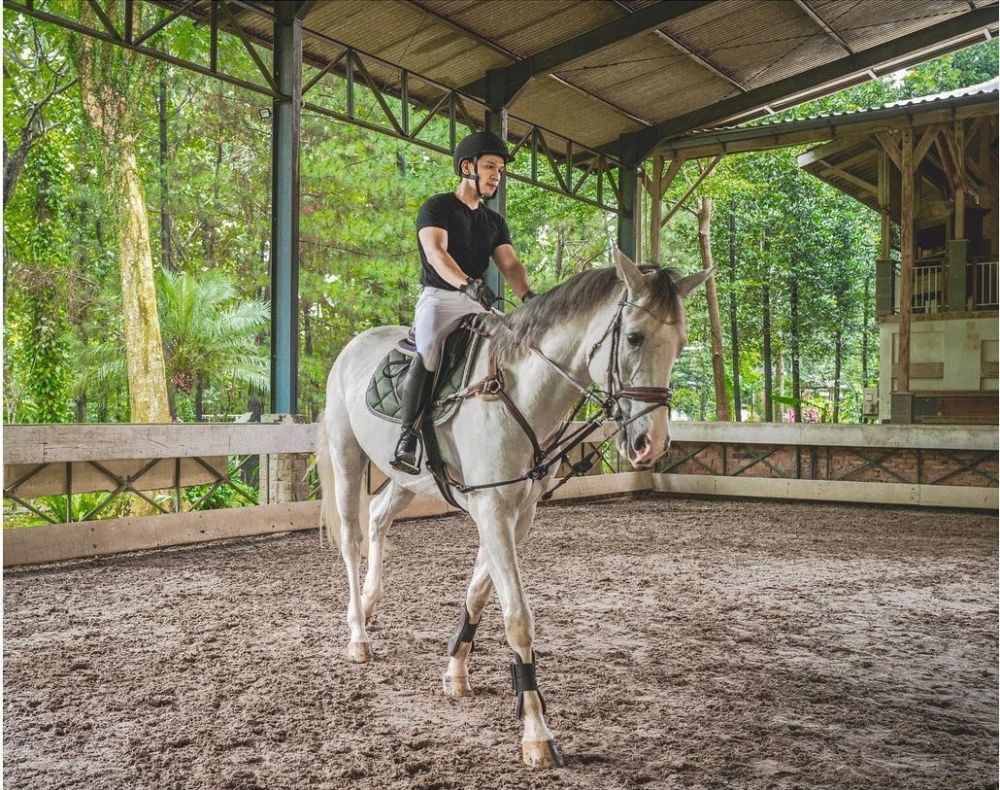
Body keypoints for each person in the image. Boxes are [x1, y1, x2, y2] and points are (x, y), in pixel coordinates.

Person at [390, 131, 536, 475]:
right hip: (440, 299)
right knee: (429, 349)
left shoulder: (493, 222)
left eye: (500, 170)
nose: (496, 175)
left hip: (477, 302)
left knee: (515, 344)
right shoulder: (437, 207)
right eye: (490, 167)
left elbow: (511, 265)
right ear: (467, 167)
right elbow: (436, 254)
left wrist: (529, 298)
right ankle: (407, 436)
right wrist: (467, 284)